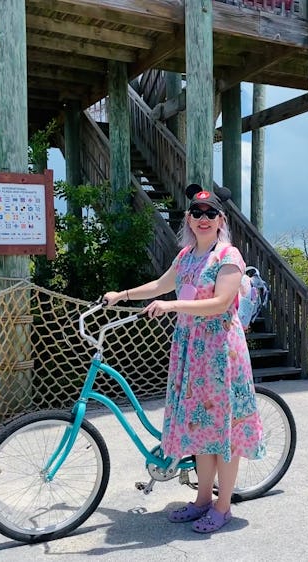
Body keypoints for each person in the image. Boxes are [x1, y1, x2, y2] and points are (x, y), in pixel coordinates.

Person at [104, 183, 265, 533]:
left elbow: (221, 303)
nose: (203, 219)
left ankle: (223, 508)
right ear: (188, 220)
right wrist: (122, 295)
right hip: (191, 350)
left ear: (220, 219)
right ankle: (202, 500)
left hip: (220, 350)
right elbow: (161, 285)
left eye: (210, 214)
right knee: (200, 429)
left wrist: (173, 305)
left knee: (223, 429)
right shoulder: (186, 256)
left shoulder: (228, 256)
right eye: (196, 213)